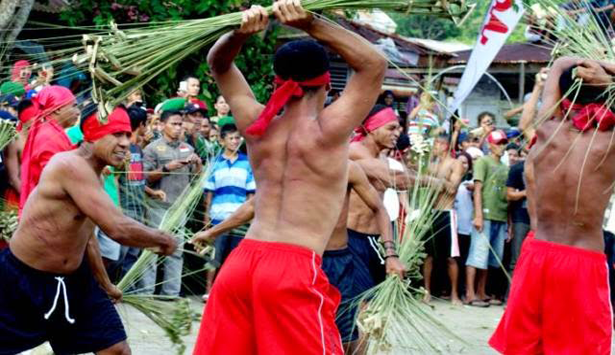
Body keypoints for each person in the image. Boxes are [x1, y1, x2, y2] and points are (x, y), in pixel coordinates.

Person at [193, 1, 387, 353]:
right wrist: (311, 22)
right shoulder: (330, 131)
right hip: (291, 269)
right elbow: (374, 64)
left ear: (276, 81)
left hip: (241, 263)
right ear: (327, 85)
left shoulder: (255, 126)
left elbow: (217, 64)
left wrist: (239, 33)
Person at [0, 106, 177, 355]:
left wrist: (105, 283)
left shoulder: (96, 176)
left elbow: (87, 238)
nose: (127, 143)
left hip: (75, 281)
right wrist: (163, 239)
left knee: (116, 349)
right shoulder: (68, 165)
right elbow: (118, 228)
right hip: (25, 280)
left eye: (128, 135)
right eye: (117, 134)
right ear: (94, 134)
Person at [193, 160, 405, 352]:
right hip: (301, 262)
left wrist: (391, 254)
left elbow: (379, 208)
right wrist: (212, 232)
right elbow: (253, 205)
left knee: (345, 337)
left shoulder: (347, 168)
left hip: (338, 261)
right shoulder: (290, 169)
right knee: (301, 335)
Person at [490, 57, 615, 354]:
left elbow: (558, 64)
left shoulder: (546, 129)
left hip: (538, 254)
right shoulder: (609, 143)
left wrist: (578, 62)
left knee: (526, 348)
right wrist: (606, 69)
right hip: (582, 260)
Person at [142, 109, 202, 297]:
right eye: (174, 124)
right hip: (157, 206)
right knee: (152, 249)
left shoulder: (188, 149)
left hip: (180, 206)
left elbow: (196, 179)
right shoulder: (152, 148)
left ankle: (170, 293)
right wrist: (166, 168)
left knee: (176, 250)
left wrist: (198, 165)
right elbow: (143, 178)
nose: (178, 128)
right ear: (162, 125)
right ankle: (145, 292)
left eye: (180, 124)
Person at [348, 104, 410, 285]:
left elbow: (380, 207)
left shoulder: (383, 159)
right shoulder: (354, 152)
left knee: (376, 301)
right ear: (372, 129)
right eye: (391, 128)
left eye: (398, 128)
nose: (397, 133)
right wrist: (439, 183)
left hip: (375, 238)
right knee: (361, 302)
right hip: (351, 237)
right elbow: (396, 180)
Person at [202, 124, 255, 301]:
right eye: (231, 138)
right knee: (214, 256)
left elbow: (250, 194)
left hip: (239, 217)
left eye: (237, 138)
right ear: (222, 140)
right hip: (218, 216)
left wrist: (247, 217)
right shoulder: (215, 163)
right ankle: (209, 290)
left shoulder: (246, 163)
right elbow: (209, 193)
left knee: (236, 257)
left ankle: (231, 291)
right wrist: (206, 218)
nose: (235, 141)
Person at [117, 106, 167, 278]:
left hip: (139, 208)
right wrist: (117, 207)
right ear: (141, 125)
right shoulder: (122, 150)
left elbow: (136, 180)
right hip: (125, 208)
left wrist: (151, 193)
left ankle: (124, 291)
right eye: (146, 124)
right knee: (120, 254)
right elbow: (116, 179)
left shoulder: (138, 149)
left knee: (133, 253)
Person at [465, 130, 509, 307]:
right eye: (498, 143)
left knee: (491, 257)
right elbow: (477, 189)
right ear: (490, 144)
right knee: (477, 254)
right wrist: (478, 215)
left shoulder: (506, 168)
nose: (501, 146)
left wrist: (510, 223)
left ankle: (482, 291)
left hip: (501, 215)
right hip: (485, 214)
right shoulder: (483, 162)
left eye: (503, 143)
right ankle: (470, 292)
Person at [19, 86, 79, 214]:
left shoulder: (54, 133)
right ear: (58, 109)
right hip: (50, 214)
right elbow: (59, 182)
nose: (78, 112)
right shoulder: (49, 137)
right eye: (74, 106)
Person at [422, 134, 465, 305]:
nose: (434, 147)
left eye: (436, 144)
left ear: (443, 145)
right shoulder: (431, 165)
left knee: (451, 257)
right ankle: (426, 291)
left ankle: (454, 294)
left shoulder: (455, 164)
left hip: (447, 212)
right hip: (431, 211)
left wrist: (434, 180)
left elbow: (452, 189)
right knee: (428, 255)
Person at [506, 153, 530, 276]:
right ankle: (511, 294)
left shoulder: (550, 168)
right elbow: (509, 194)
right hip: (521, 218)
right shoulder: (518, 168)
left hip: (542, 222)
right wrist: (525, 192)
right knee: (516, 259)